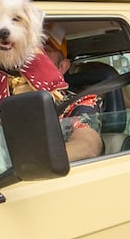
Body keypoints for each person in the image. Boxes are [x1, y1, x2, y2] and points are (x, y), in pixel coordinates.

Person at [42, 24, 104, 161]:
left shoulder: (80, 102)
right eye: (30, 49)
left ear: (62, 66)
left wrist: (34, 162)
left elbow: (87, 146)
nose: (36, 55)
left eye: (45, 49)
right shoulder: (2, 99)